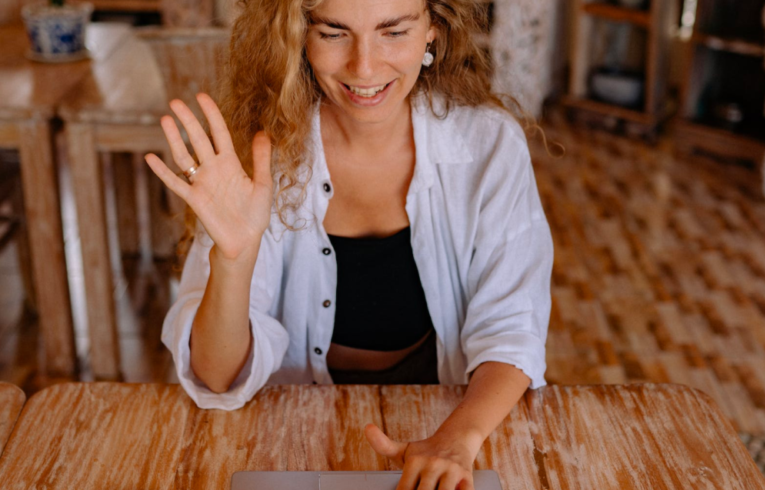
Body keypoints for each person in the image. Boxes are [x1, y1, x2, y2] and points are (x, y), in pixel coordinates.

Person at [144, 0, 554, 488]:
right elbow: (215, 375)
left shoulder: (489, 146)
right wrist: (233, 260)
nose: (365, 66)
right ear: (298, 36)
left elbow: (512, 328)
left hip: (453, 423)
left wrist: (458, 437)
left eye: (393, 32)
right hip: (288, 439)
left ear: (433, 31)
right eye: (334, 33)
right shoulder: (259, 159)